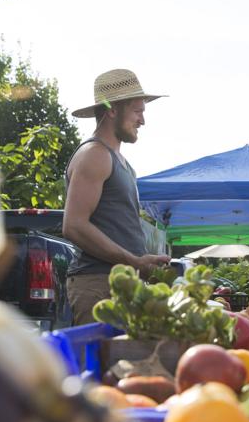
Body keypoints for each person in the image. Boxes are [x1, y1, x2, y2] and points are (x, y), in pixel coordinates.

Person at [63, 69, 170, 325]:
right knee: (100, 364)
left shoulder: (121, 161)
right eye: (137, 111)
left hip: (120, 284)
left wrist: (143, 262)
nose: (142, 120)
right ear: (111, 110)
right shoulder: (94, 155)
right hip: (98, 286)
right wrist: (133, 261)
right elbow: (74, 226)